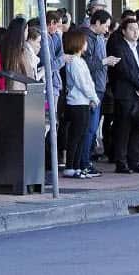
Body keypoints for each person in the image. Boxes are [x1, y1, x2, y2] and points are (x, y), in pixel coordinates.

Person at [107, 19, 139, 174]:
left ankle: (135, 161)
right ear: (124, 31)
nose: (135, 32)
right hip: (126, 94)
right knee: (124, 129)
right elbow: (124, 70)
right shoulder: (119, 47)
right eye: (131, 29)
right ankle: (121, 162)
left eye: (137, 29)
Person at [78, 10, 119, 177]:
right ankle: (84, 162)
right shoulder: (87, 38)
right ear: (96, 23)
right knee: (90, 128)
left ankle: (86, 161)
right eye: (106, 26)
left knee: (93, 129)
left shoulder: (100, 38)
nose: (107, 29)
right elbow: (86, 64)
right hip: (92, 88)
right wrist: (105, 61)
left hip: (100, 87)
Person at [62, 30, 100, 179]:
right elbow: (83, 84)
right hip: (77, 103)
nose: (86, 44)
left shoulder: (79, 61)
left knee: (81, 135)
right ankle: (71, 166)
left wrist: (91, 97)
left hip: (83, 102)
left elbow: (87, 83)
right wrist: (94, 97)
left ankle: (76, 166)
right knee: (76, 136)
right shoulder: (75, 62)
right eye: (84, 41)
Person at [0, 17, 37, 90]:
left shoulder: (4, 47)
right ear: (23, 31)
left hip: (7, 88)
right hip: (21, 89)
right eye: (26, 30)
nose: (28, 33)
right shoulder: (23, 50)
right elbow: (29, 74)